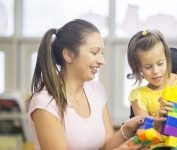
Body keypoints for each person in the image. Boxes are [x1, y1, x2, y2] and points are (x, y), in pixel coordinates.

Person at [26, 19, 148, 150]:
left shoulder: (96, 91)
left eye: (102, 53)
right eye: (94, 52)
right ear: (68, 55)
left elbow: (106, 146)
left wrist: (126, 129)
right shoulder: (45, 103)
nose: (102, 60)